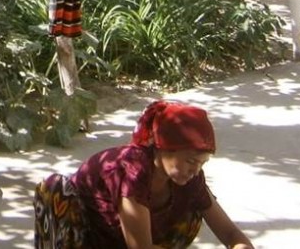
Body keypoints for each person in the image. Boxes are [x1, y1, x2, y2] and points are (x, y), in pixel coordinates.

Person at [34, 100, 257, 249]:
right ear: (163, 149)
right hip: (90, 238)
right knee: (55, 188)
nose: (195, 170)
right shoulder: (133, 170)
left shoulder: (190, 178)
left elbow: (230, 234)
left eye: (202, 163)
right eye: (190, 161)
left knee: (194, 208)